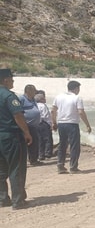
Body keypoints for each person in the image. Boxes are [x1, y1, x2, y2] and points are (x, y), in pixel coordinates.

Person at [0, 69, 32, 209]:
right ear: (5, 80)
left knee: (1, 170)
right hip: (11, 136)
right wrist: (27, 132)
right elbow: (18, 115)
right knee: (16, 168)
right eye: (12, 79)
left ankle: (2, 199)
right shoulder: (9, 96)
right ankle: (18, 201)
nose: (13, 81)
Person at [51, 80, 92, 174]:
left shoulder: (58, 97)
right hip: (72, 124)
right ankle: (73, 167)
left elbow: (53, 111)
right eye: (79, 88)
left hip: (61, 123)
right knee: (74, 146)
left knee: (62, 144)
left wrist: (54, 122)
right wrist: (87, 125)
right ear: (76, 88)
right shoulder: (77, 98)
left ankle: (60, 165)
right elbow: (81, 112)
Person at [19, 84, 42, 166]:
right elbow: (18, 112)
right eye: (34, 91)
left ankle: (33, 159)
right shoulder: (21, 99)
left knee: (35, 142)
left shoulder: (33, 99)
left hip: (34, 125)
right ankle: (23, 161)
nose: (35, 93)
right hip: (26, 125)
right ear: (28, 91)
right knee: (26, 143)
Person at [35, 91, 54, 160]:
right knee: (47, 139)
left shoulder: (35, 105)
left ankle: (41, 154)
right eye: (44, 98)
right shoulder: (43, 106)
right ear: (41, 99)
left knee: (40, 140)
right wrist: (50, 124)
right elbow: (46, 116)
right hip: (44, 123)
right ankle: (47, 153)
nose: (45, 99)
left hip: (37, 124)